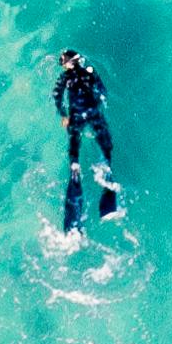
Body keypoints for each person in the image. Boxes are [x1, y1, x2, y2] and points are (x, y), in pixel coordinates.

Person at [54, 49, 117, 228]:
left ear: (67, 64)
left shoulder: (65, 78)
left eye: (63, 62)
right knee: (106, 149)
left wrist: (63, 115)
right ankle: (108, 195)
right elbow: (102, 92)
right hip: (93, 113)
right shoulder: (89, 72)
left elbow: (57, 96)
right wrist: (99, 102)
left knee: (74, 154)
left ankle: (75, 178)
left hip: (76, 118)